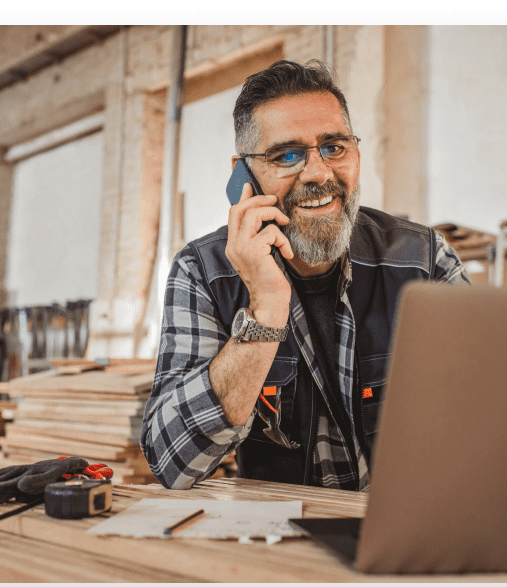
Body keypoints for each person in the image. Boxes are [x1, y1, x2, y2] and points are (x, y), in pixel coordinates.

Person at [141, 59, 470, 491]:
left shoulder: (424, 261)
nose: (318, 174)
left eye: (334, 147)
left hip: (405, 522)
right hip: (279, 531)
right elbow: (172, 461)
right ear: (243, 175)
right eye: (287, 155)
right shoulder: (203, 272)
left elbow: (486, 418)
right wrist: (265, 311)